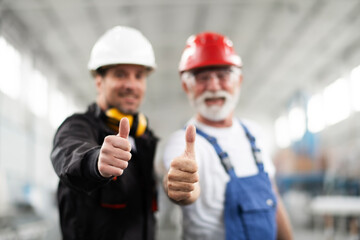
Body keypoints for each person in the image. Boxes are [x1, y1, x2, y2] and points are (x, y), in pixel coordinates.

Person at [162, 32, 293, 240]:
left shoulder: (255, 133)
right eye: (202, 78)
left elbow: (273, 197)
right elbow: (182, 187)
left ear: (238, 81)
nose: (213, 87)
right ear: (187, 86)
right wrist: (182, 186)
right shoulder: (184, 141)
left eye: (222, 76)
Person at [51, 26, 158, 240]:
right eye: (120, 74)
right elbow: (70, 151)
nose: (131, 84)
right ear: (99, 81)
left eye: (139, 76)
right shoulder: (78, 126)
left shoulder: (144, 138)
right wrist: (95, 160)